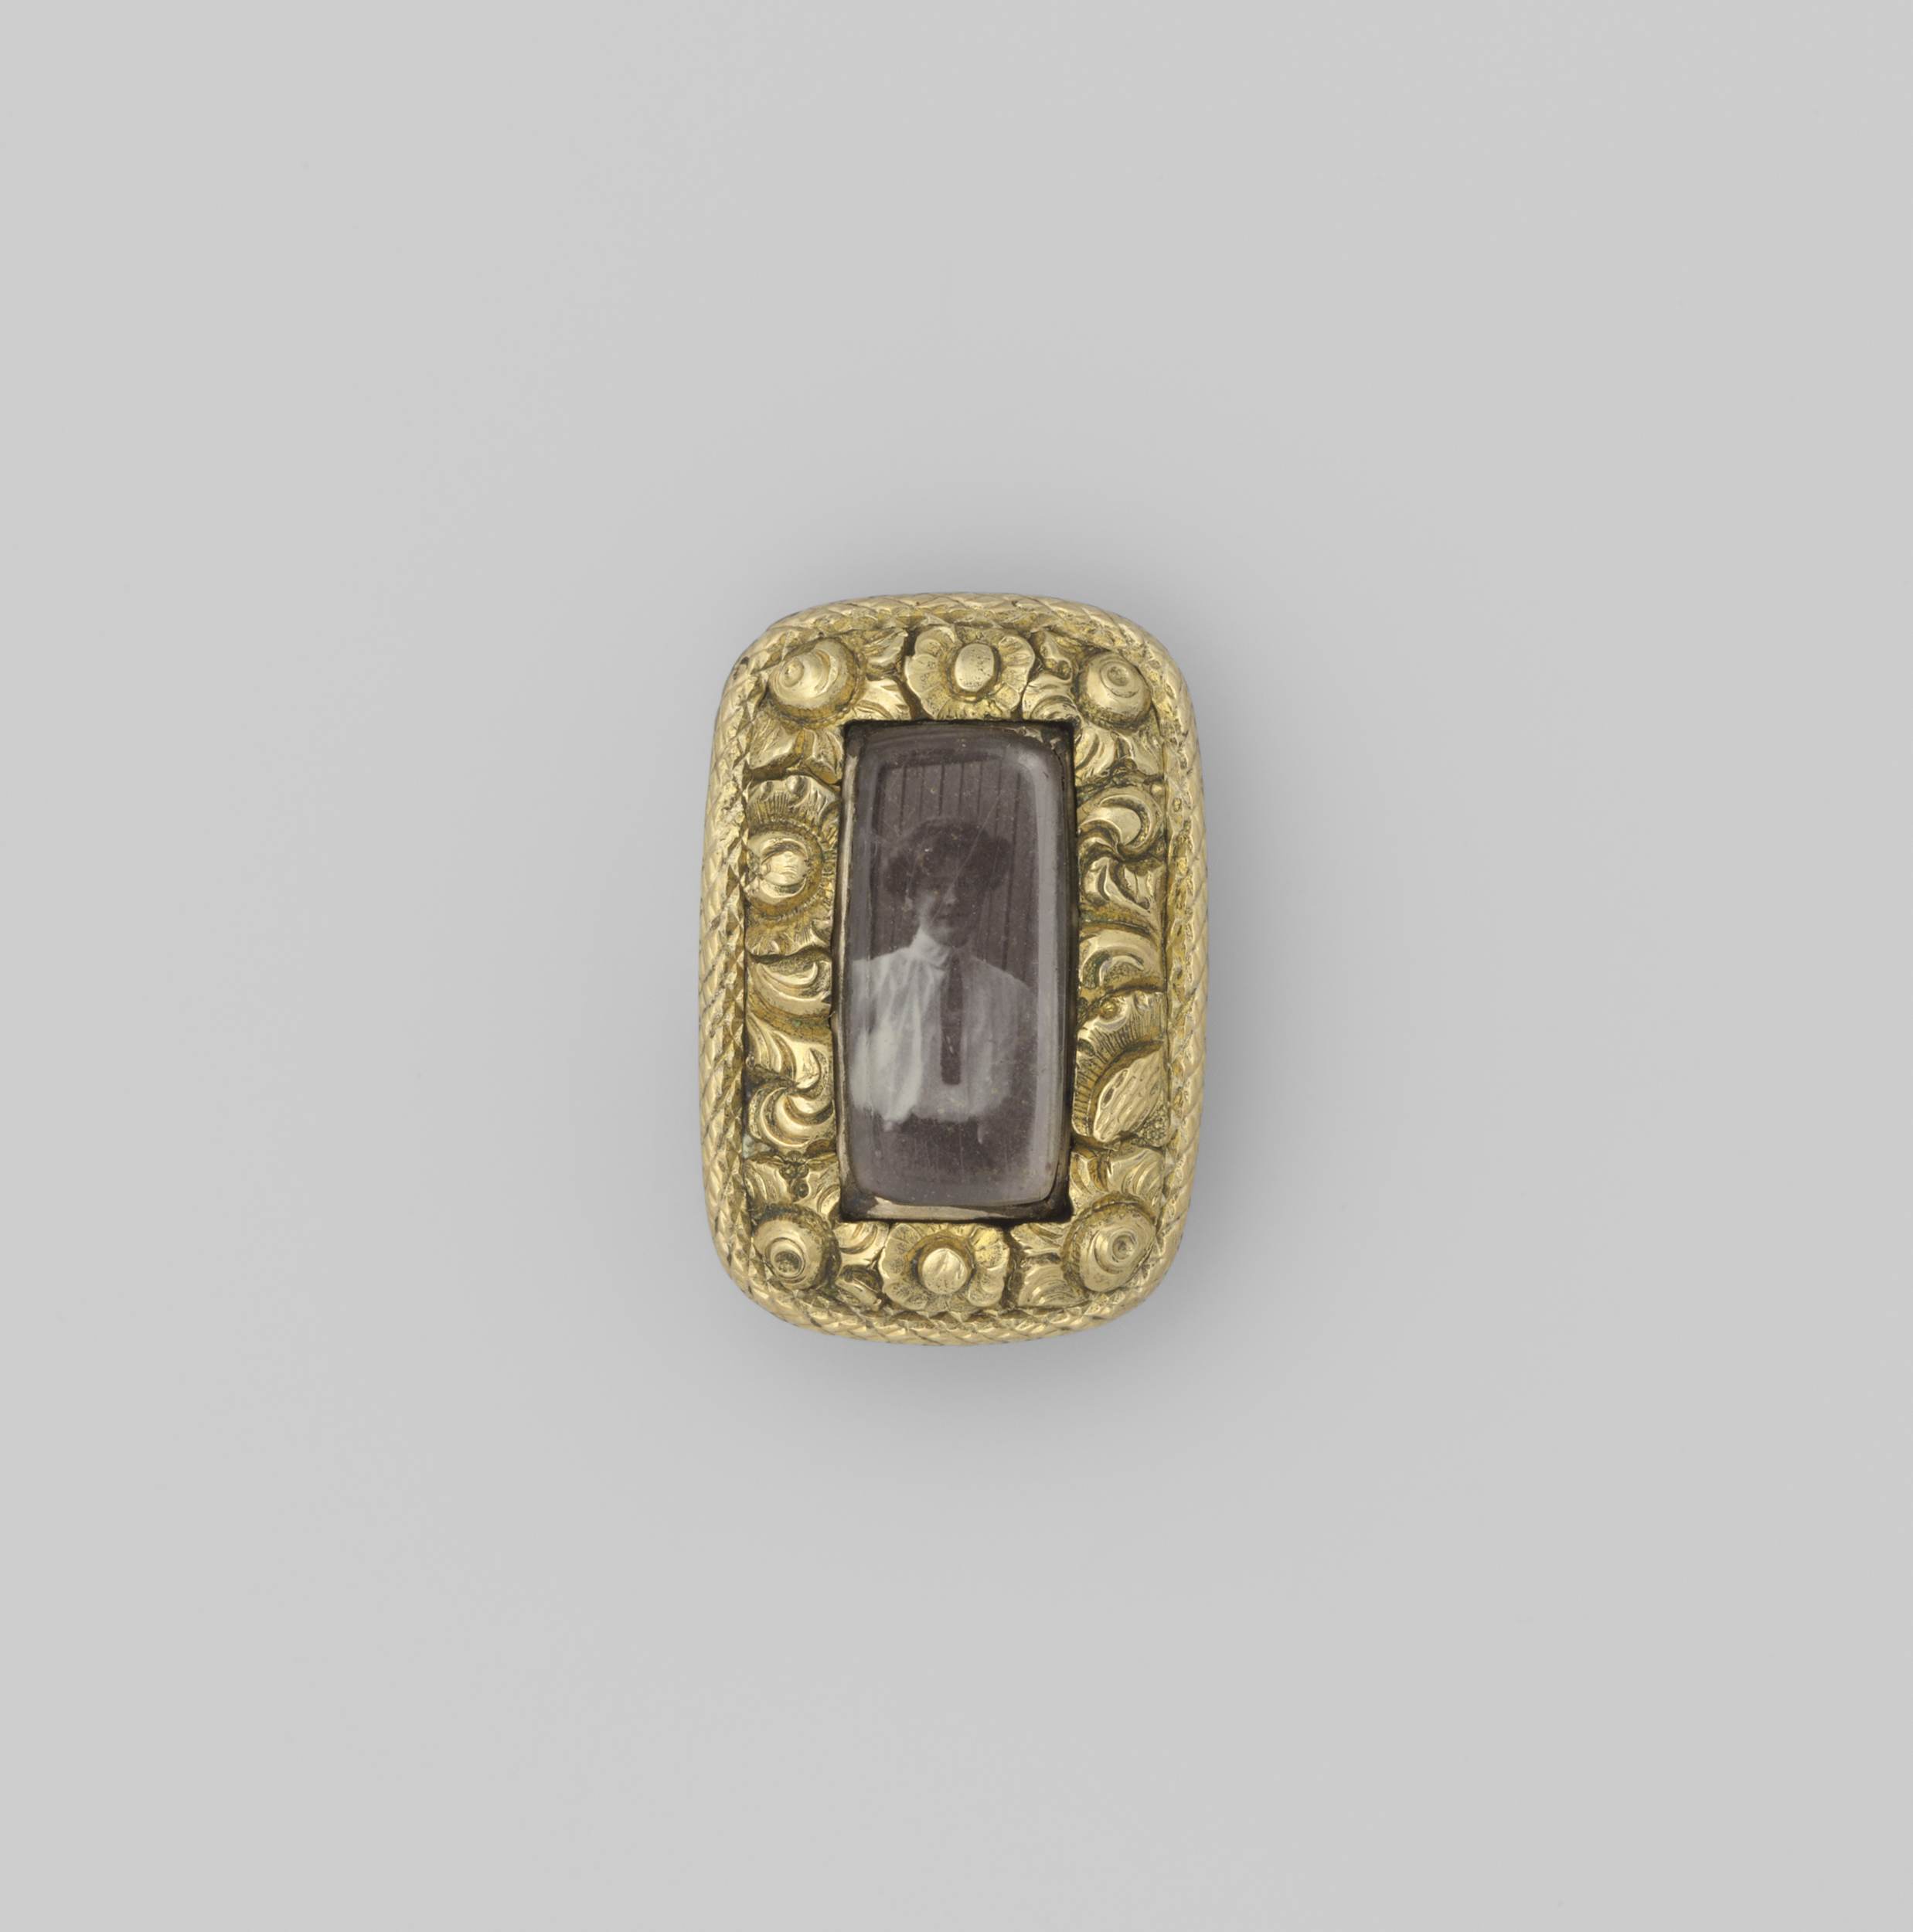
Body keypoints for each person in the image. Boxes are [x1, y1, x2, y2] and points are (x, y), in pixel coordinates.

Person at [846, 816, 1035, 1201]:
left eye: (966, 884)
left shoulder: (1013, 996)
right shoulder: (871, 982)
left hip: (979, 1164)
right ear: (909, 897)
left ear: (982, 893)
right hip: (893, 1159)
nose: (952, 899)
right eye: (936, 886)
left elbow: (1029, 1091)